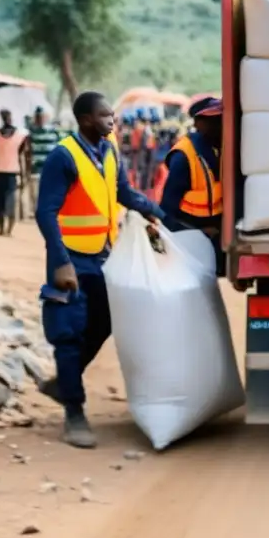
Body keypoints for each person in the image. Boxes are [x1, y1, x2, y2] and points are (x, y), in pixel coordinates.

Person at [35, 91, 163, 448]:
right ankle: (74, 413)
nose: (112, 121)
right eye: (106, 116)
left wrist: (156, 212)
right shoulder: (64, 156)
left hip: (102, 255)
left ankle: (64, 382)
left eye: (112, 115)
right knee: (69, 332)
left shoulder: (109, 152)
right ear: (86, 119)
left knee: (105, 321)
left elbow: (123, 191)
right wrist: (60, 262)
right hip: (70, 258)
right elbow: (45, 212)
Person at [160, 97, 224, 274]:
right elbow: (166, 214)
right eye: (215, 121)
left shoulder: (219, 149)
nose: (222, 125)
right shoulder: (184, 157)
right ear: (198, 123)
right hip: (191, 243)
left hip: (214, 239)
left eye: (222, 119)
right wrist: (200, 233)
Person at [0, 109, 29, 236]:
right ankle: (1, 228)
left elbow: (22, 156)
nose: (7, 119)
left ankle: (9, 229)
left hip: (12, 173)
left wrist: (23, 176)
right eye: (4, 116)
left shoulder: (20, 135)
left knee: (11, 203)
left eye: (8, 116)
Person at [27, 106, 61, 217]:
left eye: (41, 117)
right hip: (36, 167)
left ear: (45, 118)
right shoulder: (31, 132)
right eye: (37, 117)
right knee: (35, 192)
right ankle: (37, 211)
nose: (39, 119)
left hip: (50, 167)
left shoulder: (53, 132)